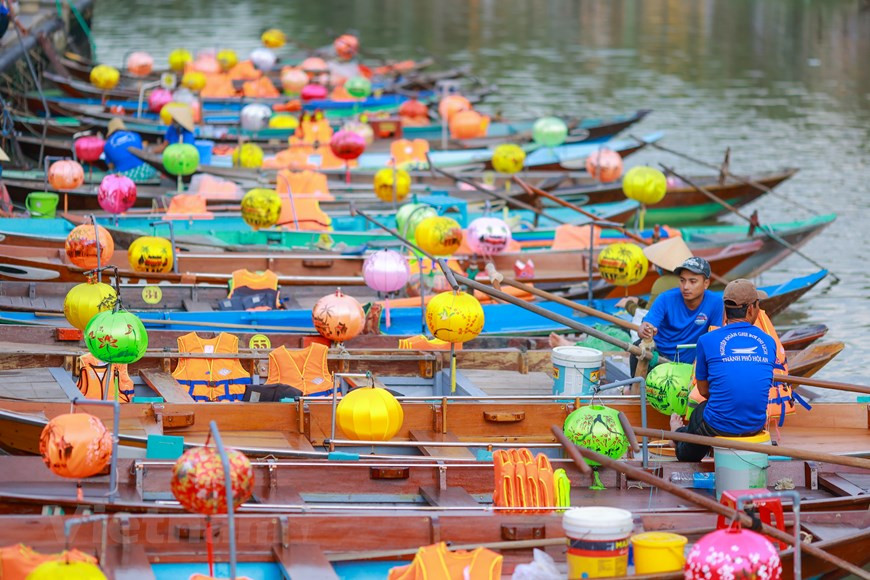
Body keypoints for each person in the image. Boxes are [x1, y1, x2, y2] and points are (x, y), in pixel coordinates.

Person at [671, 279, 776, 461]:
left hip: (718, 425)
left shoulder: (706, 340)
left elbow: (703, 391)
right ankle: (683, 433)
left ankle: (677, 436)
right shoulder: (769, 342)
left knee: (699, 412)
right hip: (756, 424)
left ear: (725, 309)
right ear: (752, 309)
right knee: (713, 410)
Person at [630, 256, 723, 374]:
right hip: (659, 357)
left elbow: (716, 338)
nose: (685, 287)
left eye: (692, 281)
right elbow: (647, 325)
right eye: (682, 280)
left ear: (706, 283)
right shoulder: (665, 298)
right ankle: (633, 387)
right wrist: (645, 330)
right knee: (638, 347)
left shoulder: (715, 302)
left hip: (691, 364)